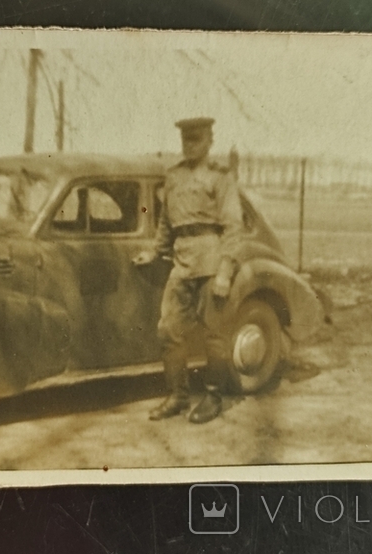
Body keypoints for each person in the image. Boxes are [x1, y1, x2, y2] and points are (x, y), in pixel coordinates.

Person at [133, 117, 244, 424]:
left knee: (214, 335)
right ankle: (178, 396)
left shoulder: (221, 178)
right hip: (182, 261)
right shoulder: (174, 177)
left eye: (196, 139)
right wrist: (154, 252)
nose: (190, 145)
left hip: (211, 259)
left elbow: (233, 227)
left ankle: (213, 397)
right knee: (168, 329)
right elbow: (166, 224)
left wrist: (224, 272)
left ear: (209, 141)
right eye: (185, 140)